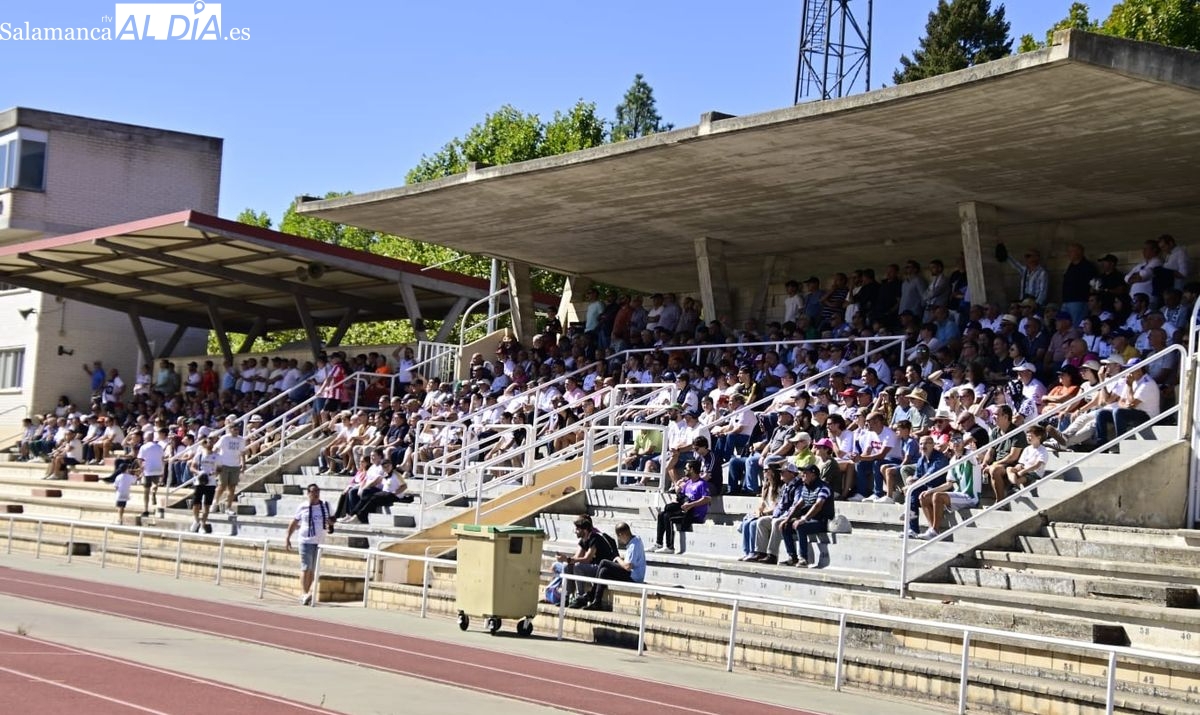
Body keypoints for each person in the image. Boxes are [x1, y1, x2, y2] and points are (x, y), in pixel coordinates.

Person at [918, 433, 981, 539]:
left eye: (959, 440)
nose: (956, 442)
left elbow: (978, 458)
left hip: (970, 497)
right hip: (959, 495)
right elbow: (948, 484)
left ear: (963, 443)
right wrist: (930, 491)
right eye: (953, 440)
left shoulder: (970, 454)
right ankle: (931, 529)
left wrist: (977, 453)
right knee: (924, 496)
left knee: (937, 496)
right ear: (950, 445)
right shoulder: (952, 461)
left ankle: (935, 531)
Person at [284, 483, 335, 605]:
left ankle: (306, 593)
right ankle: (304, 593)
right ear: (308, 493)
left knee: (312, 569)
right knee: (306, 567)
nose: (316, 493)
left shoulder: (326, 506)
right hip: (306, 540)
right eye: (313, 491)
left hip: (319, 542)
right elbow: (294, 522)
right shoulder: (303, 507)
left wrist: (331, 523)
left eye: (317, 491)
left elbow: (333, 519)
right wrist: (288, 537)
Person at [650, 460, 711, 555]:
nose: (684, 471)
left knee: (668, 517)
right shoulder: (688, 483)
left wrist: (691, 505)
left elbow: (707, 499)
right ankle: (659, 543)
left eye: (686, 469)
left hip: (694, 514)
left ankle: (670, 547)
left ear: (692, 470)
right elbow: (681, 496)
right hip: (685, 510)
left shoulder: (702, 484)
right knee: (662, 514)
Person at [583, 522, 646, 611]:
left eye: (619, 537)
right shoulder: (636, 540)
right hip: (631, 575)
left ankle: (592, 593)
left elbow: (628, 566)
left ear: (622, 534)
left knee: (604, 562)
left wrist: (617, 558)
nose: (619, 540)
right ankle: (597, 601)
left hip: (634, 578)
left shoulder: (633, 545)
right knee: (603, 571)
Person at [559, 516, 618, 608]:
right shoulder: (583, 539)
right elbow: (576, 557)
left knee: (578, 566)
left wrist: (568, 559)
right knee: (567, 566)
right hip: (593, 566)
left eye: (577, 529)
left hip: (602, 569)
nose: (575, 531)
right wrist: (566, 559)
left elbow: (587, 558)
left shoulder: (595, 538)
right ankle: (567, 597)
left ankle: (580, 597)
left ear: (585, 530)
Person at [782, 463, 834, 567]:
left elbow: (818, 505)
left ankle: (803, 559)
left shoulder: (823, 487)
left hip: (821, 521)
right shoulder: (806, 487)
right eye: (802, 473)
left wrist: (804, 519)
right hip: (810, 519)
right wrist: (787, 519)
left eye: (805, 473)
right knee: (785, 526)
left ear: (813, 475)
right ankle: (792, 557)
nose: (802, 475)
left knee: (801, 526)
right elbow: (798, 505)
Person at [213, 422, 247, 515]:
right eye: (234, 429)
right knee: (222, 485)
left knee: (232, 487)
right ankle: (215, 502)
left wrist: (243, 464)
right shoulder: (224, 438)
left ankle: (228, 507)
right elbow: (215, 449)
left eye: (237, 429)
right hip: (224, 464)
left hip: (235, 465)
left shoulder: (241, 440)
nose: (236, 431)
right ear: (230, 429)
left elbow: (242, 452)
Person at [189, 436, 218, 533]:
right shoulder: (200, 455)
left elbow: (220, 469)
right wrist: (199, 472)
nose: (210, 444)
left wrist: (214, 473)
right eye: (208, 442)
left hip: (211, 482)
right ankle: (196, 520)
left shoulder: (217, 456)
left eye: (211, 443)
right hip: (199, 481)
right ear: (204, 444)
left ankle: (202, 525)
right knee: (196, 503)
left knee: (207, 505)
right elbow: (192, 467)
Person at [136, 429, 166, 518]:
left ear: (146, 438)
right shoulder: (159, 447)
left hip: (148, 470)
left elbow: (139, 459)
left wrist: (141, 468)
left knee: (146, 490)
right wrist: (162, 470)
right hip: (157, 469)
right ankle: (154, 490)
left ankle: (145, 510)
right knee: (155, 483)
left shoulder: (144, 447)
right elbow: (162, 459)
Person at [112, 458, 138, 526]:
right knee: (122, 507)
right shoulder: (129, 476)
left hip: (120, 493)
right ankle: (120, 519)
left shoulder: (118, 477)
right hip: (126, 493)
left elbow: (115, 486)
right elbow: (134, 480)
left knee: (119, 507)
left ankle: (119, 519)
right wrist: (137, 474)